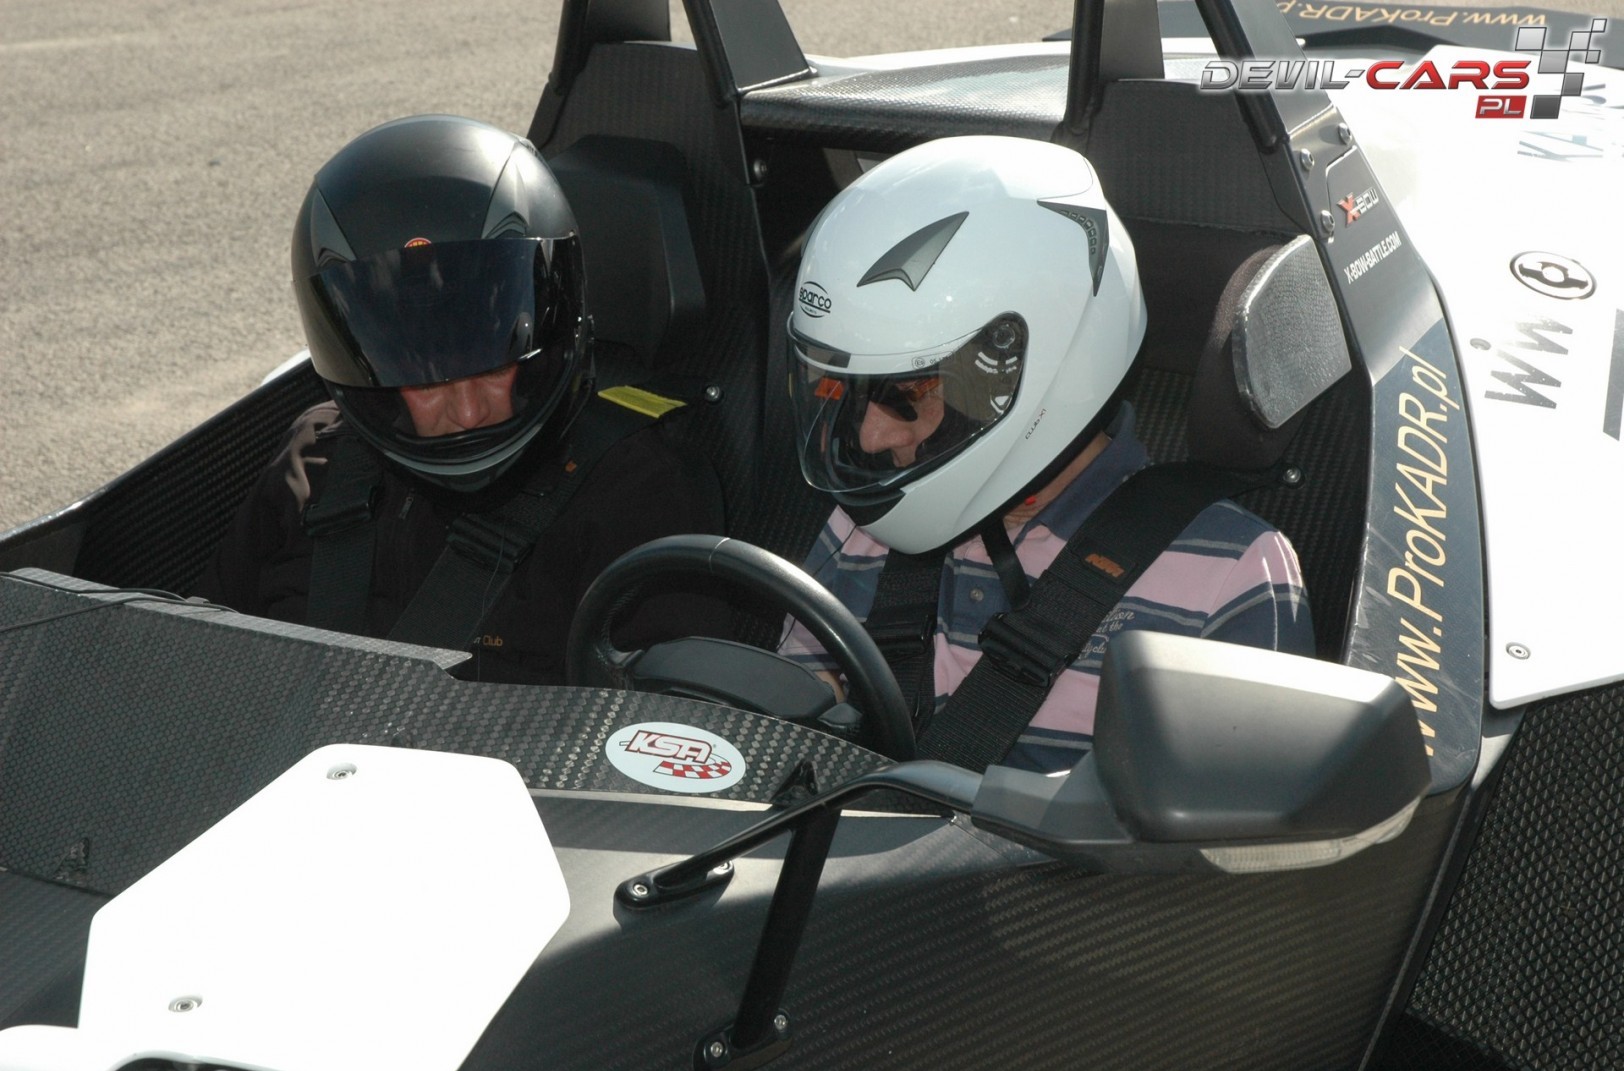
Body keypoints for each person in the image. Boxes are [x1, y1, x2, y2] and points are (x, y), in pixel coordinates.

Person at [779, 135, 1312, 773]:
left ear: (1022, 371)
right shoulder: (862, 524)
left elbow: (1239, 824)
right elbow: (779, 740)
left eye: (905, 394)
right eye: (846, 392)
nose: (870, 438)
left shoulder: (1229, 573)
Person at [196, 115, 726, 683]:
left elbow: (665, 723)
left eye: (495, 368)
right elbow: (193, 662)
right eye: (425, 381)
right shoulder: (315, 463)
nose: (469, 412)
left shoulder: (635, 493)